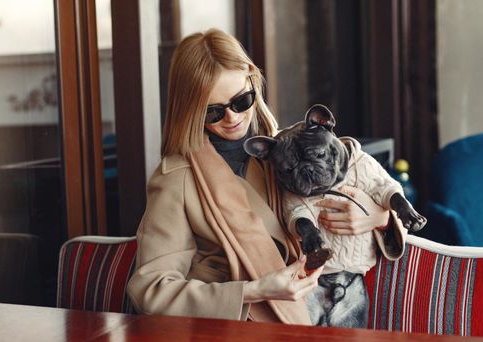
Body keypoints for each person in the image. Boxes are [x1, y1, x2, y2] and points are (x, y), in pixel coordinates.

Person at [127, 28, 405, 325]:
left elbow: (368, 192)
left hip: (321, 308)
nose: (232, 118)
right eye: (213, 112)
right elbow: (150, 290)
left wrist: (379, 218)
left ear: (253, 84)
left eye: (241, 101)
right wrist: (254, 291)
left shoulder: (283, 151)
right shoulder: (176, 178)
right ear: (191, 110)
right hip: (238, 325)